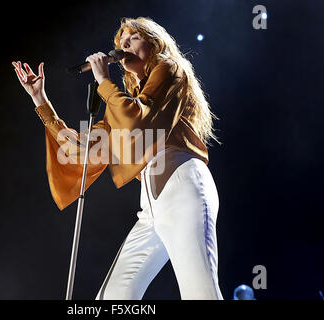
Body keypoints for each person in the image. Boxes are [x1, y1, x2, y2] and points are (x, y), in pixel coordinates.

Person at [12, 17, 223, 300]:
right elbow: (79, 149)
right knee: (113, 297)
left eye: (132, 39)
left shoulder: (170, 69)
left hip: (184, 189)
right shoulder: (124, 105)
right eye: (120, 44)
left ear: (154, 41)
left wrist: (103, 81)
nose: (124, 47)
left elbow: (137, 121)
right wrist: (42, 101)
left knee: (200, 293)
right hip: (151, 209)